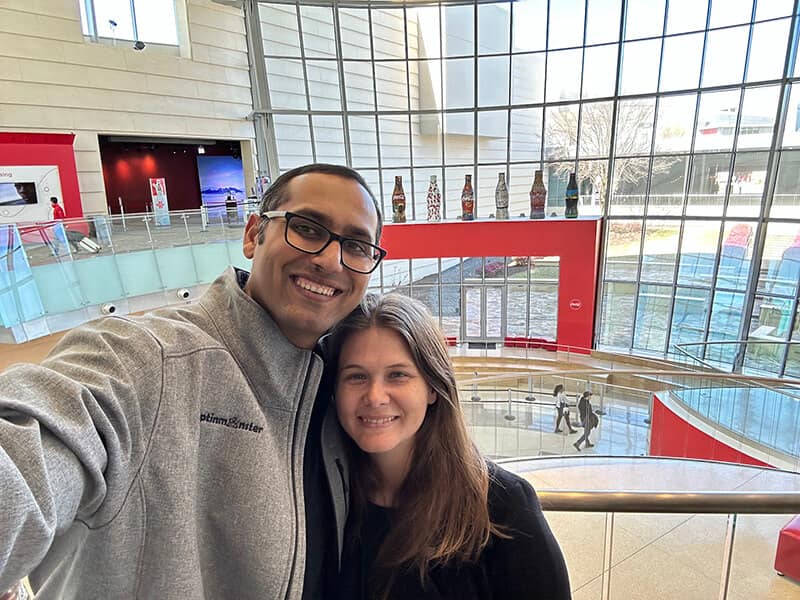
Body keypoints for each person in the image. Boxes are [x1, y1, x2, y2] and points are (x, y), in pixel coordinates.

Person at [0, 163, 385, 599]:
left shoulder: (346, 393)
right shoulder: (142, 359)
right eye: (308, 228)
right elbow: (27, 456)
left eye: (355, 245)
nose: (329, 259)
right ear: (252, 234)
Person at [329, 293, 572, 599]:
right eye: (356, 376)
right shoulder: (328, 498)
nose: (375, 396)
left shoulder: (502, 506)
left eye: (398, 375)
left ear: (433, 387)